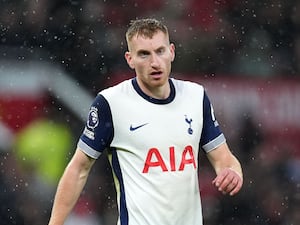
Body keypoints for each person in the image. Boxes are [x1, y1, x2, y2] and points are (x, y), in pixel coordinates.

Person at [48, 18, 243, 225]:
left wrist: (233, 173)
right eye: (144, 54)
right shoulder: (111, 103)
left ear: (172, 52)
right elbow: (79, 168)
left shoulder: (196, 97)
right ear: (129, 59)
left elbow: (224, 159)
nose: (155, 62)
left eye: (160, 51)